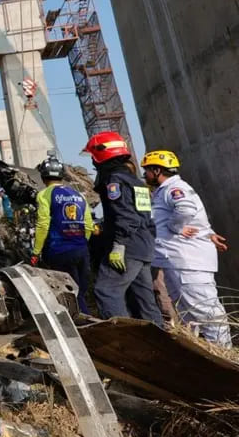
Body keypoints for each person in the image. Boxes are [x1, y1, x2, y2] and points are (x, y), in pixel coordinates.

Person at [141, 150, 232, 346]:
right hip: (176, 260)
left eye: (146, 170)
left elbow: (186, 209)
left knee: (205, 310)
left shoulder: (174, 188)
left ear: (157, 170)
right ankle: (206, 351)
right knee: (188, 313)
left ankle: (224, 351)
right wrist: (207, 232)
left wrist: (175, 227)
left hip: (187, 261)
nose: (144, 174)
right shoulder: (165, 190)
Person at [82, 132, 163, 327]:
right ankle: (159, 337)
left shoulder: (115, 181)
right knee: (143, 300)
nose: (92, 161)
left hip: (127, 246)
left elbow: (126, 216)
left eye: (93, 156)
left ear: (101, 154)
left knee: (106, 291)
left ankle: (123, 335)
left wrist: (119, 245)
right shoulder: (135, 181)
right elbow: (142, 216)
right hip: (143, 245)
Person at [31, 154, 93, 313]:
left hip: (58, 251)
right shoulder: (78, 195)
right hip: (82, 251)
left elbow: (43, 225)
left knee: (67, 295)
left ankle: (78, 322)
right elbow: (88, 225)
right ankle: (86, 318)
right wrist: (81, 243)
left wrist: (36, 252)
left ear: (43, 177)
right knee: (80, 293)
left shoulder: (44, 194)